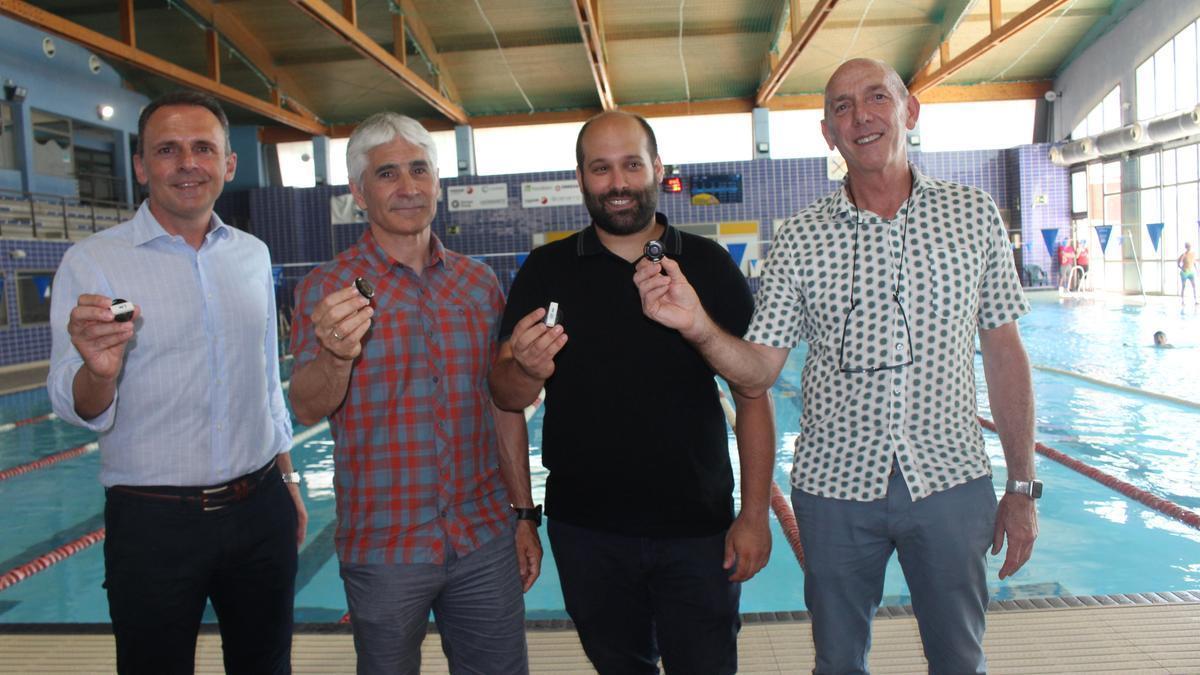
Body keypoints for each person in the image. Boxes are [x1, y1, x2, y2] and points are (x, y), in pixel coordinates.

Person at [633, 58, 1038, 674]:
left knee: (961, 659)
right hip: (834, 488)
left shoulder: (972, 214)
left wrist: (1022, 486)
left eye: (877, 97)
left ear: (909, 111)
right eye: (842, 107)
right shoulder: (799, 237)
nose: (861, 116)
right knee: (838, 663)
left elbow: (1005, 354)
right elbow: (759, 371)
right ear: (828, 133)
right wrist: (697, 326)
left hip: (951, 480)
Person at [489, 111, 774, 675]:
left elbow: (753, 390)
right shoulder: (547, 270)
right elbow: (505, 396)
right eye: (601, 168)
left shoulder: (707, 265)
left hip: (698, 528)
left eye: (631, 165)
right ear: (580, 178)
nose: (617, 183)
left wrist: (755, 514)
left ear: (657, 169)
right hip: (587, 532)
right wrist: (525, 368)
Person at [47, 91, 304, 674]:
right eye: (167, 150)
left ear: (228, 164)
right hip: (153, 521)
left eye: (202, 148)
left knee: (267, 666)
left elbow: (267, 383)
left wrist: (288, 481)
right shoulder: (93, 261)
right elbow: (71, 402)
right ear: (141, 166)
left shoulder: (252, 255)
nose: (188, 163)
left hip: (260, 508)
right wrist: (99, 372)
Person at [288, 112, 539, 674]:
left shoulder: (479, 284)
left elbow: (502, 406)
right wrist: (335, 354)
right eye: (388, 174)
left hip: (483, 537)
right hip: (385, 545)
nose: (408, 187)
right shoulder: (326, 289)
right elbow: (305, 406)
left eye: (420, 169)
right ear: (359, 192)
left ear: (438, 182)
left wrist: (524, 514)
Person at [1179, 242, 1197, 306]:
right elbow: (1178, 263)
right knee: (1183, 286)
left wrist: (1197, 270)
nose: (1189, 248)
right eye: (1187, 246)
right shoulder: (1183, 254)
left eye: (1189, 246)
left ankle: (1195, 300)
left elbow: (1194, 262)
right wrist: (1182, 268)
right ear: (1186, 247)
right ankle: (1182, 301)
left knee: (1194, 285)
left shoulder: (1193, 254)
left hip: (1191, 272)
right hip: (1184, 272)